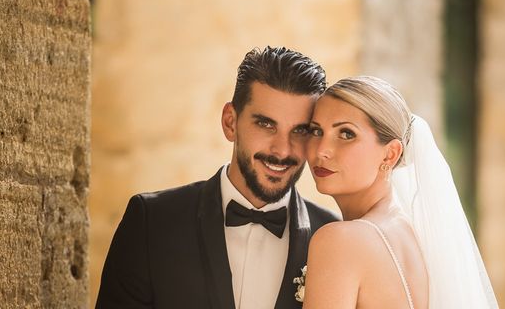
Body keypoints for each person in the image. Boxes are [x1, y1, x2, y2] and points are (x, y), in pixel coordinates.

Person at [96, 46, 339, 309]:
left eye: (300, 130)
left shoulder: (333, 239)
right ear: (230, 122)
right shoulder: (151, 223)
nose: (282, 150)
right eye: (266, 124)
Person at [302, 76, 499, 309]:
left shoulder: (341, 240)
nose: (322, 150)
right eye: (315, 131)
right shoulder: (411, 231)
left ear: (390, 154)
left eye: (346, 134)